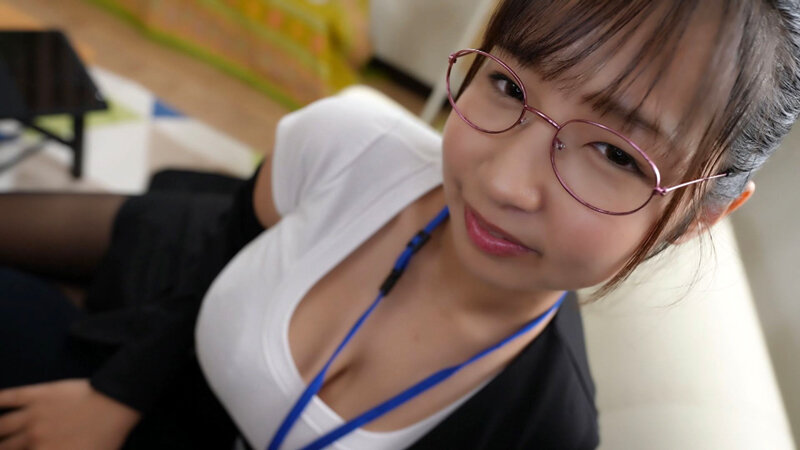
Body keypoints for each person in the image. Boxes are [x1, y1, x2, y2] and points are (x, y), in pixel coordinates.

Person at [0, 0, 798, 448]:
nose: (502, 182)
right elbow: (220, 246)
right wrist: (114, 396)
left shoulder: (540, 430)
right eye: (510, 88)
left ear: (703, 215)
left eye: (617, 155)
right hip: (165, 280)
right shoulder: (350, 140)